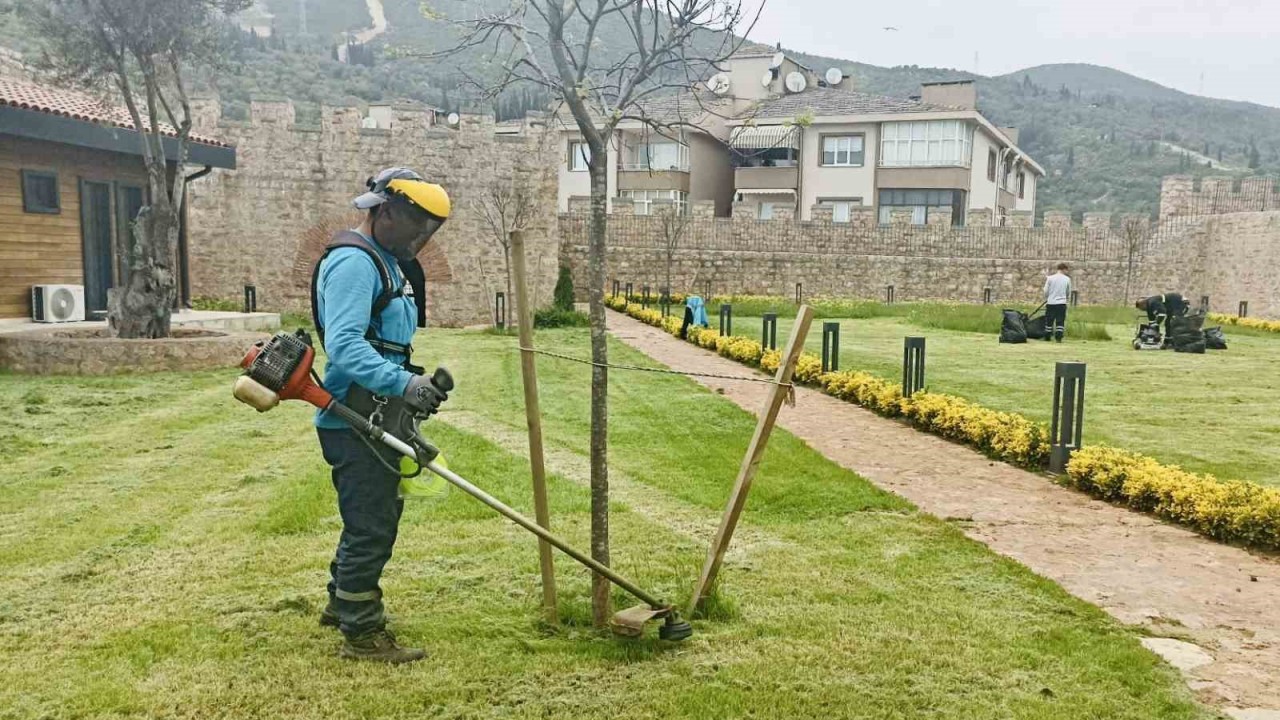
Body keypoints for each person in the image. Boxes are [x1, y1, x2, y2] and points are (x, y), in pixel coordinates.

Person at [311, 167, 451, 664]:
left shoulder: (386, 261)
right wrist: (404, 384)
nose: (421, 237)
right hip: (353, 415)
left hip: (377, 411)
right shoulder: (355, 263)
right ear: (385, 211)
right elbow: (346, 346)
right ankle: (363, 633)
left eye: (429, 229)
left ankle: (341, 603)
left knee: (370, 516)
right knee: (371, 525)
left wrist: (409, 389)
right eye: (417, 225)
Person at [1042, 263, 1072, 342]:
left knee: (1049, 320)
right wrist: (1066, 298)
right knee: (1060, 321)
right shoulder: (1067, 279)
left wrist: (1048, 297)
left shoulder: (1050, 278)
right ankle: (1058, 337)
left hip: (1051, 303)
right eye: (1066, 270)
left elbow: (1045, 291)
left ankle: (1047, 336)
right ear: (1064, 269)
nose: (1067, 272)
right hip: (1061, 303)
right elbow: (1068, 292)